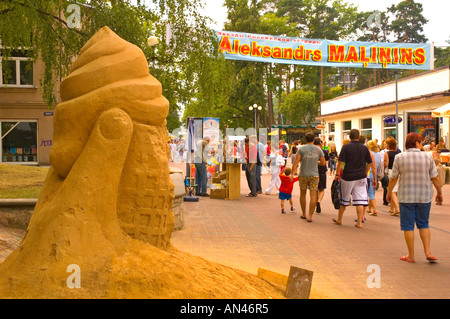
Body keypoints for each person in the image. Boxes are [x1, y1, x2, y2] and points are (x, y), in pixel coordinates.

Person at [387, 132, 443, 263]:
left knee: (408, 226)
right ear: (417, 143)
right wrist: (439, 192)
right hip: (424, 196)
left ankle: (411, 255)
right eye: (421, 142)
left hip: (406, 196)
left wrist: (389, 192)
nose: (422, 144)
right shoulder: (428, 157)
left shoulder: (399, 157)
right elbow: (435, 177)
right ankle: (428, 252)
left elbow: (393, 178)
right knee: (424, 223)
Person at [332, 129, 376, 228]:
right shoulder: (364, 148)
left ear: (349, 137)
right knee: (360, 200)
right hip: (361, 177)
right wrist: (365, 172)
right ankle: (359, 222)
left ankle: (339, 219)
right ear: (359, 137)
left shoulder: (346, 147)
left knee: (344, 199)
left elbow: (340, 162)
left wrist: (337, 174)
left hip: (348, 177)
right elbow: (370, 163)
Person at [291, 132, 325, 222]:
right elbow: (323, 163)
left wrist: (292, 173)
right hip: (314, 175)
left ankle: (303, 214)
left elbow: (296, 162)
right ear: (314, 139)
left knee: (303, 194)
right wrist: (315, 162)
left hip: (303, 174)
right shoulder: (318, 150)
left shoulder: (301, 149)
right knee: (313, 195)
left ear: (305, 139)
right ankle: (310, 216)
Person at [385, 137, 401, 216]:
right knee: (395, 188)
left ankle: (397, 208)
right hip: (399, 172)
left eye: (386, 144)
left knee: (392, 190)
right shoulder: (399, 153)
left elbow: (386, 164)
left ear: (388, 145)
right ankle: (392, 208)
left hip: (391, 171)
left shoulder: (387, 153)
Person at [367, 140, 382, 216]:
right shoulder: (379, 154)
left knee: (370, 193)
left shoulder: (369, 153)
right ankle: (369, 208)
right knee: (372, 191)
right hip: (375, 173)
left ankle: (375, 210)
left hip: (369, 173)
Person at [314, 137, 328, 214]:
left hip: (314, 171)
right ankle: (319, 201)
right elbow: (326, 161)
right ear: (320, 143)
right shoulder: (324, 151)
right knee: (321, 189)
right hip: (322, 171)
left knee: (315, 188)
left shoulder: (312, 151)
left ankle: (315, 202)